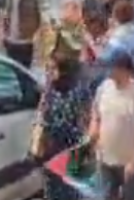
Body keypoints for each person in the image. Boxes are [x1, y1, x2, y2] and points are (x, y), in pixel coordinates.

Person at [90, 50, 134, 200]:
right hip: (105, 159)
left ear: (122, 68)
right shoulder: (104, 88)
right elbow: (96, 114)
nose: (107, 71)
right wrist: (93, 131)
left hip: (128, 162)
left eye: (110, 67)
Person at [38, 49, 94, 200]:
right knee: (53, 188)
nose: (48, 72)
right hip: (52, 146)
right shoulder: (49, 90)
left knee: (72, 188)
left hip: (72, 146)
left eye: (52, 68)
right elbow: (43, 116)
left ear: (63, 70)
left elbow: (87, 117)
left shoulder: (80, 90)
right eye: (47, 68)